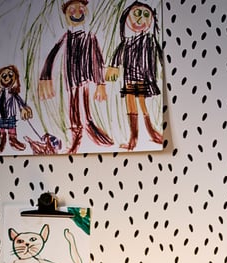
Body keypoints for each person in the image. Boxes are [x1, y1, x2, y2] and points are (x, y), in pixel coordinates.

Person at [38, 0, 113, 154]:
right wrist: (45, 76)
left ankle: (89, 126)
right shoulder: (67, 37)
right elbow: (51, 55)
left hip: (85, 78)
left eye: (81, 9)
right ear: (65, 15)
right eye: (72, 10)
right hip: (71, 78)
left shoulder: (90, 37)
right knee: (73, 104)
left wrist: (100, 84)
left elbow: (98, 60)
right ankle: (76, 134)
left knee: (84, 104)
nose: (77, 13)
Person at [105, 2, 163, 150]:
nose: (141, 20)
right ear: (126, 19)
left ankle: (151, 132)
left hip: (143, 77)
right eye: (136, 14)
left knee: (142, 104)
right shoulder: (127, 41)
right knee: (131, 104)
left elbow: (161, 55)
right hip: (129, 77)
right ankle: (134, 139)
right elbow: (118, 54)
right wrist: (113, 67)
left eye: (145, 15)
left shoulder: (150, 40)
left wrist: (163, 68)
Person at [0, 64, 33, 154]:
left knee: (11, 128)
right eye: (4, 75)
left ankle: (13, 140)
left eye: (10, 75)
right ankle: (2, 143)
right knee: (1, 130)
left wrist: (23, 108)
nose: (7, 78)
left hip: (9, 115)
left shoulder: (12, 92)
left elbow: (19, 101)